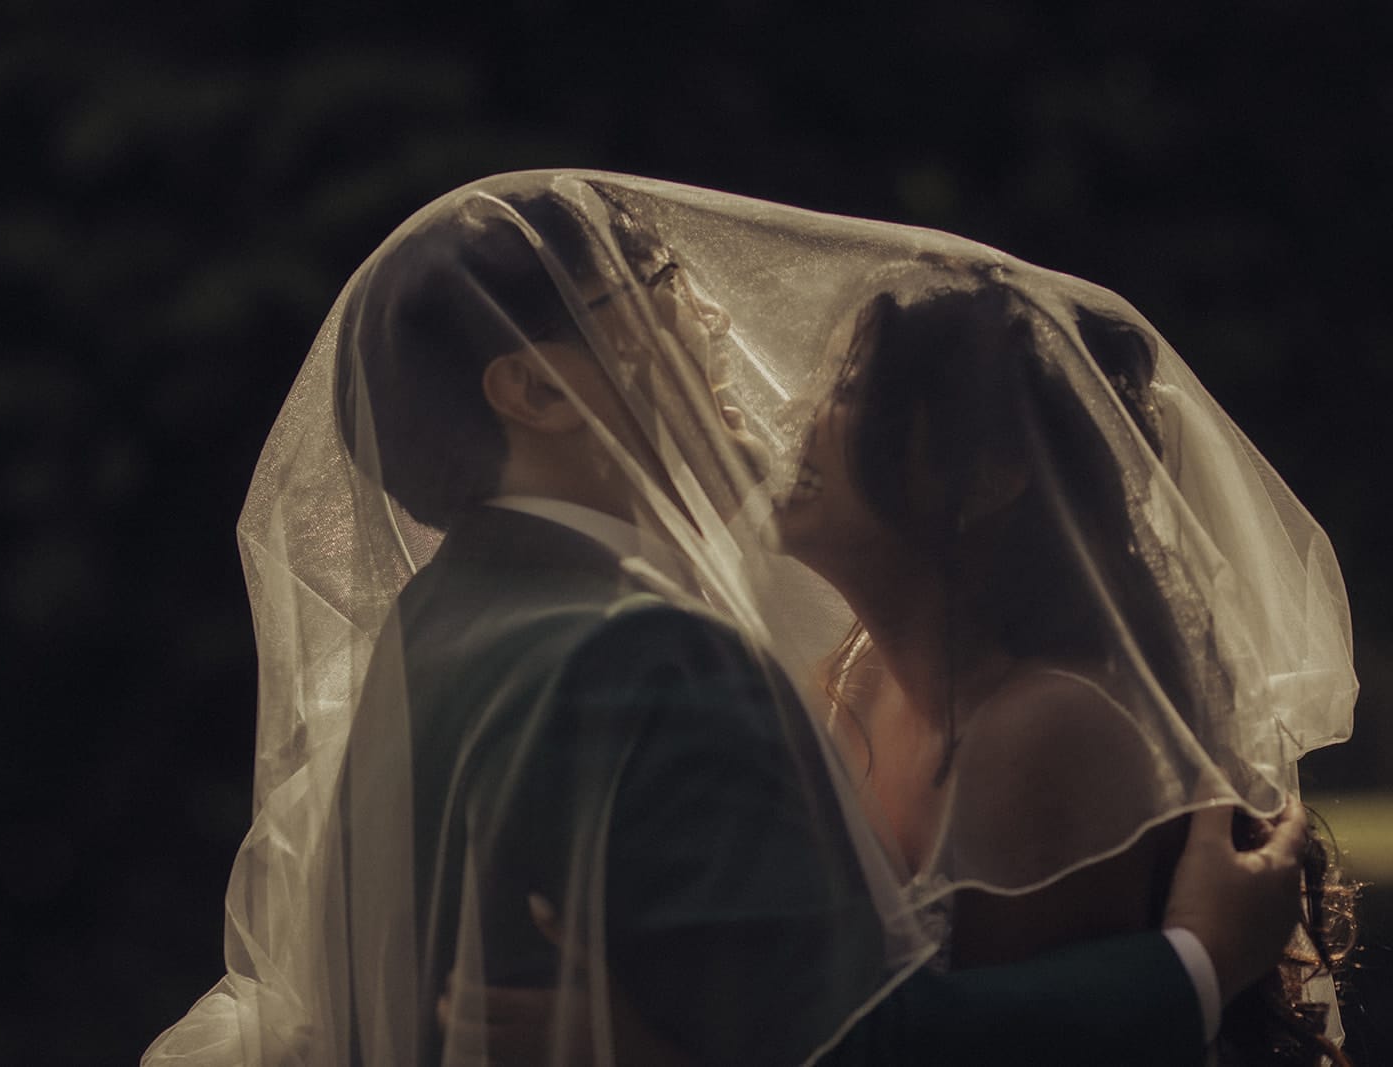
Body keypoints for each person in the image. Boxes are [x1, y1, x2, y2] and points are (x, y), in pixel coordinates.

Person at [141, 172, 1321, 1067]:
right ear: (536, 388)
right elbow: (853, 1042)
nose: (707, 318)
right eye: (653, 294)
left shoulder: (432, 626)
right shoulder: (648, 654)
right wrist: (1194, 962)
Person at [775, 258, 1358, 1063]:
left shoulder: (1047, 728)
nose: (801, 416)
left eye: (851, 393)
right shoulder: (860, 678)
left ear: (988, 478)